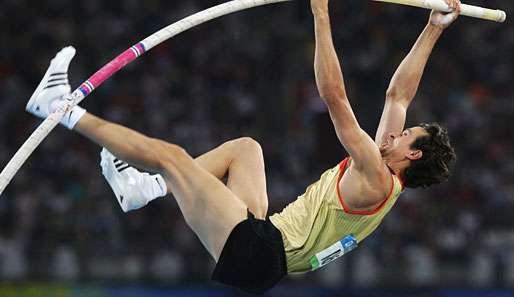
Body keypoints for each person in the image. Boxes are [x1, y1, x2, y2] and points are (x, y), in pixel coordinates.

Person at [25, 0, 459, 293]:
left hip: (259, 251)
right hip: (265, 245)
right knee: (246, 149)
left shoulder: (374, 174)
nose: (394, 133)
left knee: (172, 158)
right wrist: (432, 29)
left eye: (404, 135)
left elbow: (335, 98)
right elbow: (398, 96)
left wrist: (320, 12)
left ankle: (60, 109)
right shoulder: (388, 176)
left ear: (412, 154)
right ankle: (144, 190)